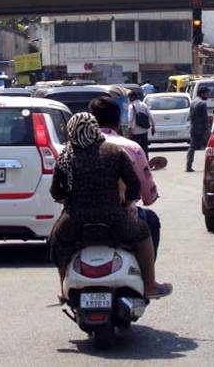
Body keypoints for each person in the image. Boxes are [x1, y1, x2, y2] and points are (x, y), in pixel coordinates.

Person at [48, 113, 172, 301]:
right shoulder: (114, 152)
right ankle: (149, 285)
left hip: (75, 220)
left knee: (58, 241)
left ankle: (63, 288)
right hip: (114, 218)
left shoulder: (66, 157)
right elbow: (134, 184)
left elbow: (56, 192)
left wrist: (69, 200)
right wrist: (129, 202)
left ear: (71, 131)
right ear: (94, 129)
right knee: (144, 234)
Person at [89, 96, 161, 256]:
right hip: (123, 217)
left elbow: (59, 190)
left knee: (57, 240)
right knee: (151, 221)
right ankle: (149, 280)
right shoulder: (130, 148)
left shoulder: (75, 148)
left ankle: (63, 279)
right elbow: (146, 195)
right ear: (117, 120)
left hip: (81, 219)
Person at [186, 87, 211, 172]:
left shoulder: (193, 102)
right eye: (207, 93)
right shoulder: (202, 103)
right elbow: (205, 118)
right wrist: (207, 130)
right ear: (202, 93)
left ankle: (188, 166)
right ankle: (210, 166)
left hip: (193, 127)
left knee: (192, 147)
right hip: (201, 129)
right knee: (210, 148)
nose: (208, 95)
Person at [127, 91, 155, 156]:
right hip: (144, 131)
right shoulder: (144, 105)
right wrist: (153, 126)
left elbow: (130, 119)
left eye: (129, 97)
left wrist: (129, 130)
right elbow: (151, 116)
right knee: (144, 148)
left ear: (132, 97)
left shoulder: (131, 106)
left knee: (135, 149)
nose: (129, 99)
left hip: (135, 132)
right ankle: (146, 161)